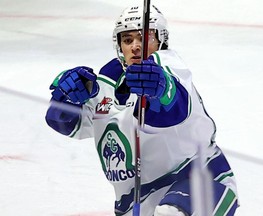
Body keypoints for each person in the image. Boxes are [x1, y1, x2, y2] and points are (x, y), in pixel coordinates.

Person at [45, 4, 239, 216]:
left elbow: (174, 106)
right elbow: (65, 123)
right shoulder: (106, 83)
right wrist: (65, 99)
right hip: (137, 204)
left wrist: (160, 90)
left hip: (201, 182)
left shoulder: (169, 68)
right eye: (127, 40)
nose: (135, 46)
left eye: (144, 38)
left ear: (161, 40)